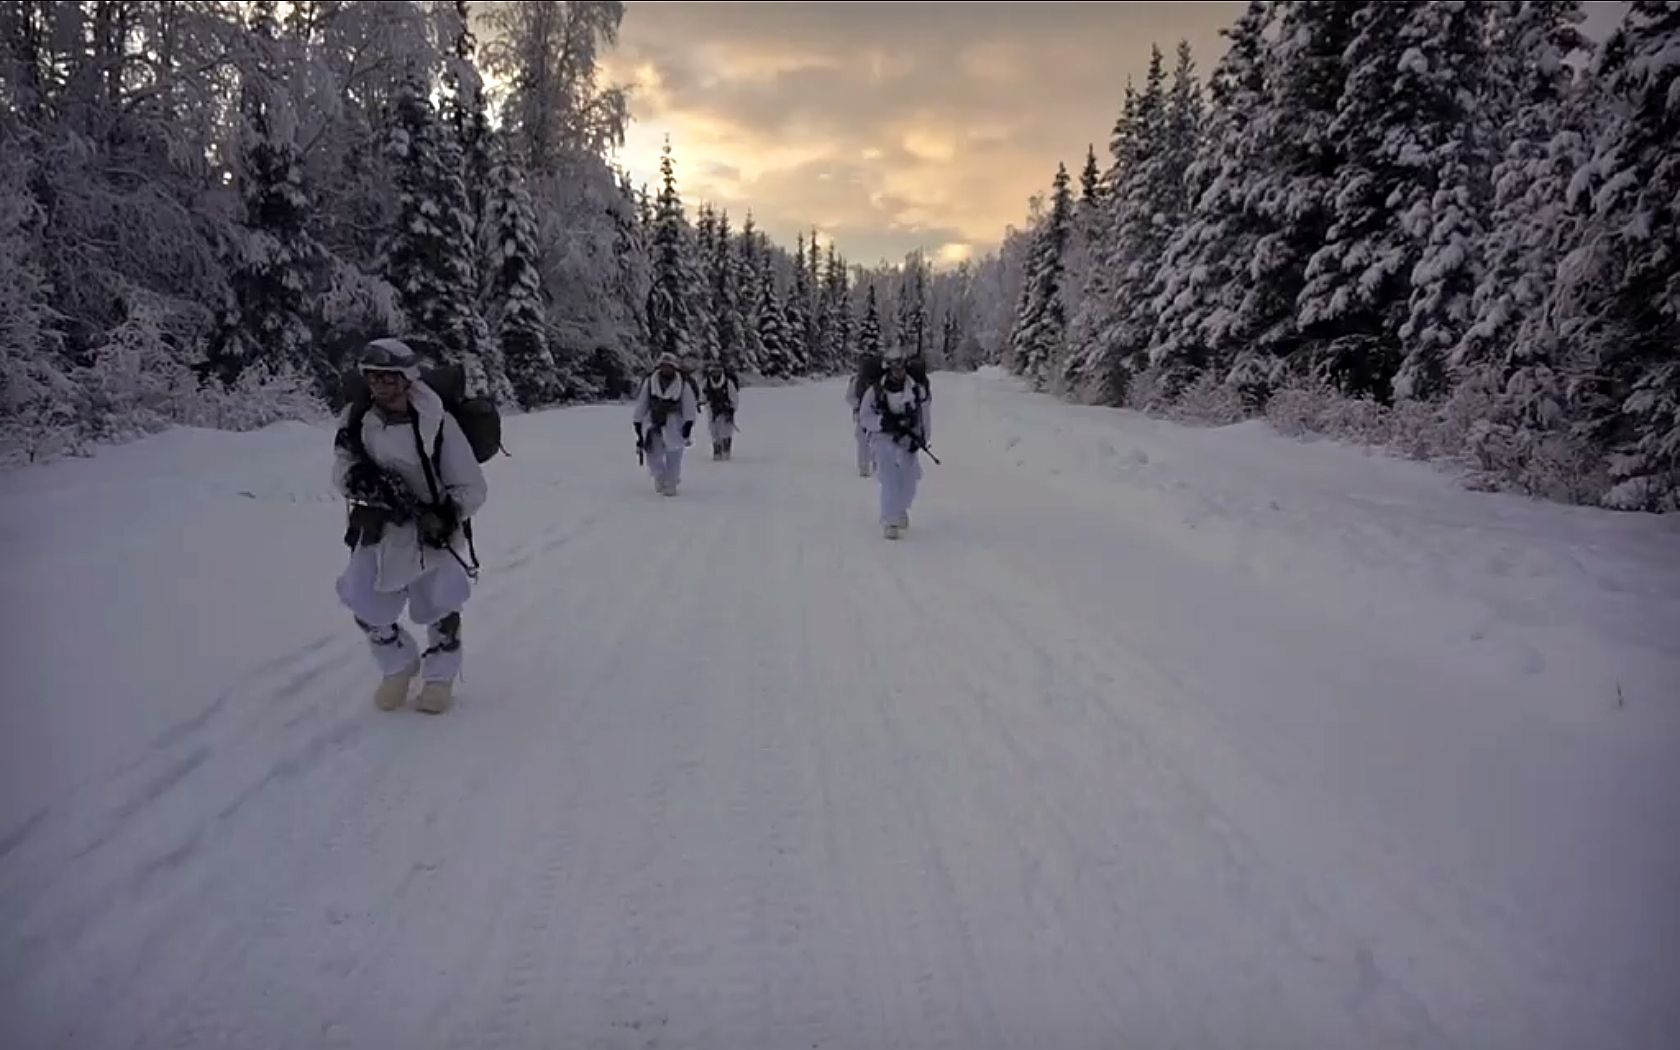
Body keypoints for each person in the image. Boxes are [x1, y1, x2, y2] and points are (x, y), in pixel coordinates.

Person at [333, 338, 487, 714]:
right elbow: (340, 469)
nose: (380, 385)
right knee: (361, 596)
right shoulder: (356, 419)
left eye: (388, 377)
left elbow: (472, 486)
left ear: (407, 379)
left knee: (440, 602)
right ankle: (397, 664)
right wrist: (364, 482)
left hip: (429, 533)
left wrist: (447, 515)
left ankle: (440, 675)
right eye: (373, 377)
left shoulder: (437, 421)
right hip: (379, 529)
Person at [857, 346, 932, 539]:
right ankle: (889, 520)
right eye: (894, 368)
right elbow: (865, 417)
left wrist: (922, 438)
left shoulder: (916, 389)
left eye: (901, 367)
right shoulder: (875, 391)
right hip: (882, 437)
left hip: (908, 437)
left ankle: (900, 509)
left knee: (909, 479)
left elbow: (925, 417)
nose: (898, 372)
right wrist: (882, 423)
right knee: (889, 477)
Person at [634, 352, 699, 496]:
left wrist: (688, 424)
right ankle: (660, 476)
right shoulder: (650, 382)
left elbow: (689, 404)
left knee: (674, 455)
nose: (666, 369)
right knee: (652, 454)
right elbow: (642, 402)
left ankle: (672, 481)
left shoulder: (683, 383)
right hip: (654, 421)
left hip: (674, 422)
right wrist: (637, 422)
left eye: (669, 367)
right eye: (663, 366)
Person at [846, 350, 883, 477]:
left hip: (872, 414)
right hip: (865, 415)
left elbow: (849, 397)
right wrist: (860, 405)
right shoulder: (858, 380)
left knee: (871, 441)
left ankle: (872, 466)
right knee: (865, 441)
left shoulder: (877, 381)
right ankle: (867, 467)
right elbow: (850, 397)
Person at [702, 359, 740, 460]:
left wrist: (732, 409)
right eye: (714, 371)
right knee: (714, 431)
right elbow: (703, 395)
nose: (716, 373)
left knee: (726, 430)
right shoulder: (707, 382)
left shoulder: (728, 383)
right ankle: (717, 450)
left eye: (718, 370)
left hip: (725, 410)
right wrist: (702, 402)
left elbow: (734, 397)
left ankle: (726, 450)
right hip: (712, 409)